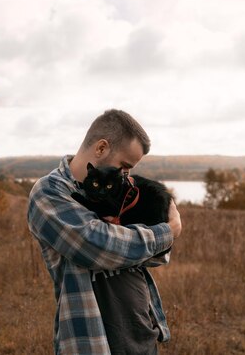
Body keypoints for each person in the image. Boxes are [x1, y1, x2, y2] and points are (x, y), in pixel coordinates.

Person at [27, 109, 183, 354]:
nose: (126, 176)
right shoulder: (49, 192)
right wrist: (168, 231)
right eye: (124, 167)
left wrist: (145, 240)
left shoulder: (117, 191)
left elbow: (159, 256)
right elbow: (99, 245)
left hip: (141, 334)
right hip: (93, 340)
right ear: (100, 148)